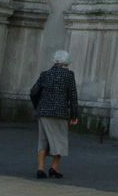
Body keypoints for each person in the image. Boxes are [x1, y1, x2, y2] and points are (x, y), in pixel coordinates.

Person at [30, 50, 79, 180]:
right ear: (67, 62)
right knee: (60, 141)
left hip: (43, 112)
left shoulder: (45, 74)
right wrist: (75, 115)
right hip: (60, 113)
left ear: (54, 60)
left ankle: (40, 169)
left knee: (43, 141)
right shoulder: (69, 75)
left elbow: (33, 92)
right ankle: (54, 168)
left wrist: (38, 106)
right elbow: (73, 97)